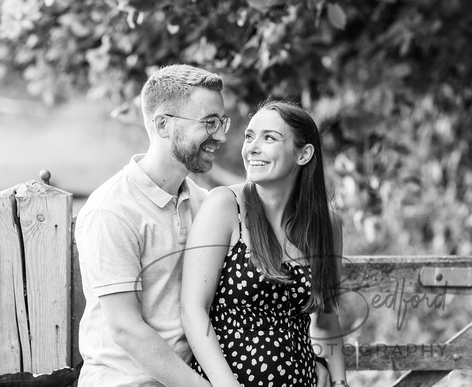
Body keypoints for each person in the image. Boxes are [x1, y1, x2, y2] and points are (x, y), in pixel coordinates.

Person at [75, 64, 231, 386]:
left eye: (222, 122)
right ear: (162, 124)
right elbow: (126, 329)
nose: (221, 136)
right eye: (209, 123)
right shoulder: (112, 210)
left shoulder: (203, 203)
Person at [181, 99, 348, 386]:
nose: (252, 148)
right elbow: (193, 310)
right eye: (249, 136)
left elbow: (326, 318)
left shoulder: (326, 226)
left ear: (304, 154)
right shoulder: (225, 206)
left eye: (269, 137)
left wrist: (339, 381)